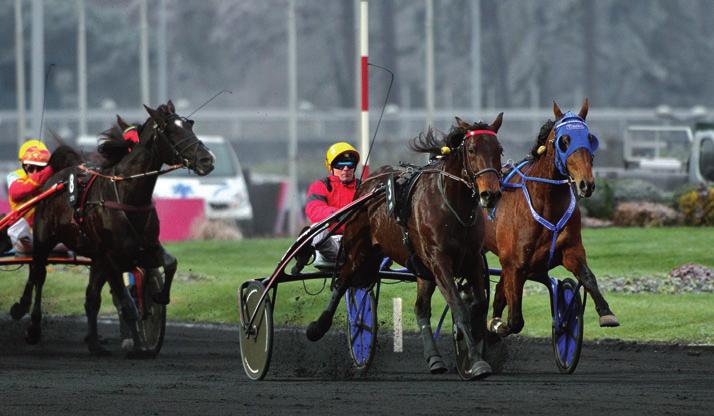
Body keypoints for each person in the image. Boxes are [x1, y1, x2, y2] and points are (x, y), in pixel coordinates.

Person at [303, 141, 361, 267]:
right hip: (330, 243)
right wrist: (340, 214)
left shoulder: (364, 188)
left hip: (357, 241)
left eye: (350, 164)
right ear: (331, 166)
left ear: (354, 167)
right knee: (315, 230)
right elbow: (314, 210)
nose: (346, 169)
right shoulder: (320, 186)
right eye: (340, 165)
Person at [5, 140, 54, 254]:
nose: (35, 172)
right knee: (18, 229)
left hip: (48, 233)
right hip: (24, 234)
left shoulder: (52, 178)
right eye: (31, 168)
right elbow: (16, 193)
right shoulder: (14, 176)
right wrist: (47, 172)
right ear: (23, 166)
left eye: (40, 168)